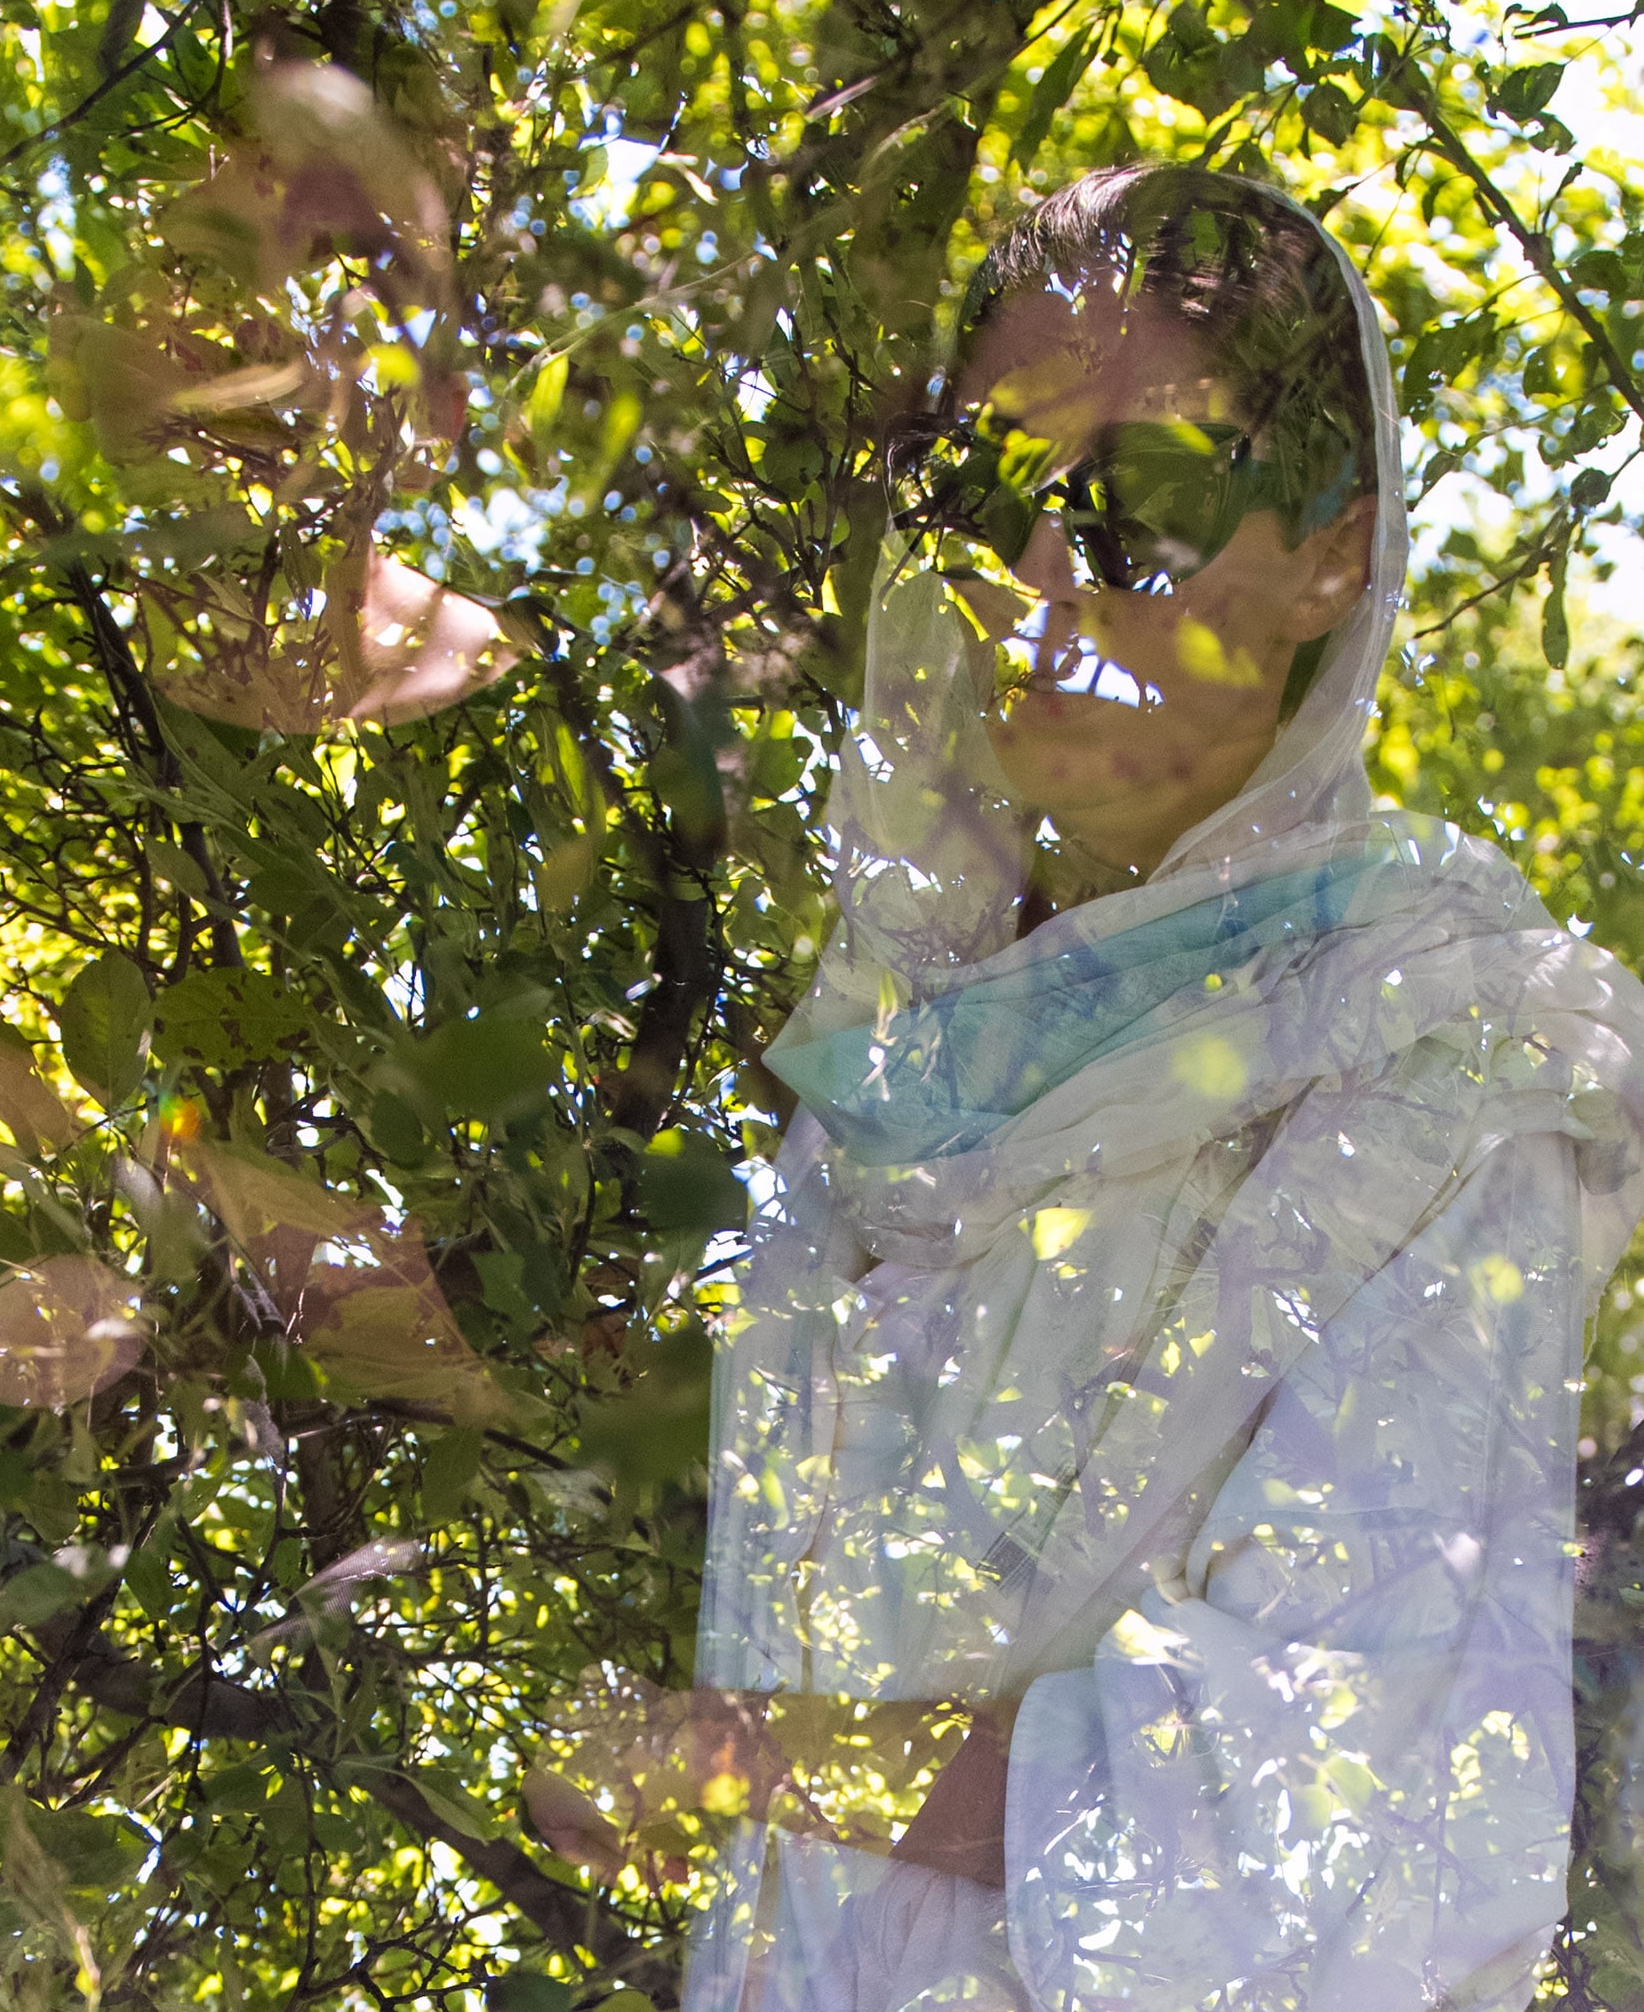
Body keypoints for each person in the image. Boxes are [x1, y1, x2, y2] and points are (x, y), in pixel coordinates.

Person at [529, 165, 1644, 2011]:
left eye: (1139, 504)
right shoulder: (893, 1085)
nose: (1034, 583)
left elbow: (1338, 1802)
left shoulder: (1440, 1052)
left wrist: (741, 1755)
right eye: (988, 501)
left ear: (1330, 554)